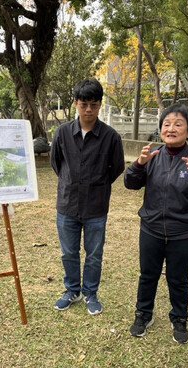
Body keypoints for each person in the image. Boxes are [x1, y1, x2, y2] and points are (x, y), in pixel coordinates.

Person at [124, 103, 188, 343]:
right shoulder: (153, 156)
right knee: (148, 275)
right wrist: (139, 164)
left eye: (178, 124)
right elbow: (130, 183)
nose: (171, 129)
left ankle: (179, 319)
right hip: (151, 229)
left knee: (178, 278)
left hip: (184, 233)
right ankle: (143, 315)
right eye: (166, 124)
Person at [51, 79, 125, 315]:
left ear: (100, 105)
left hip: (96, 206)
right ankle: (72, 290)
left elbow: (117, 167)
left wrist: (97, 184)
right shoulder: (62, 133)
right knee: (69, 252)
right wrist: (71, 182)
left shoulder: (111, 136)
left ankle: (90, 293)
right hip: (67, 204)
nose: (89, 110)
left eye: (94, 104)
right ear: (76, 104)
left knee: (94, 254)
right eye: (84, 104)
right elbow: (56, 163)